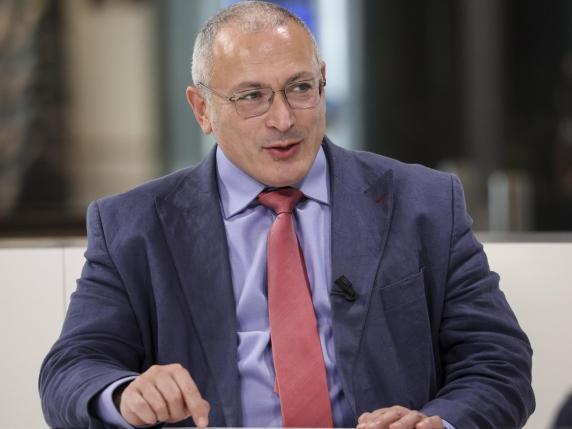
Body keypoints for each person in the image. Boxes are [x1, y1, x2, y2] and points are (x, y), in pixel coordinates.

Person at [39, 2, 535, 428]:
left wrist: (439, 423)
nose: (283, 119)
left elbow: (498, 362)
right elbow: (72, 369)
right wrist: (125, 395)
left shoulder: (424, 203)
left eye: (300, 88)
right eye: (252, 97)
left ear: (323, 83)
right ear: (202, 109)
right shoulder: (134, 226)